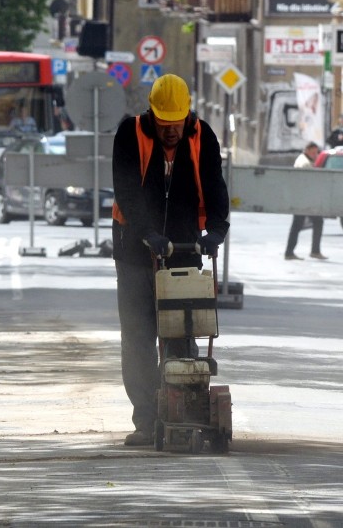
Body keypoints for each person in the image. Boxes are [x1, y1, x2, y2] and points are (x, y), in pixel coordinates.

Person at [111, 74, 230, 446]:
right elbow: (127, 190)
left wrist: (216, 229)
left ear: (187, 115)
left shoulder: (202, 136)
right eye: (164, 124)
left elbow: (214, 183)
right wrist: (147, 232)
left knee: (181, 333)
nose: (171, 131)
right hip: (134, 252)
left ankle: (182, 411)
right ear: (152, 114)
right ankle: (146, 420)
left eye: (176, 123)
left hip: (184, 251)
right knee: (138, 338)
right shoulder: (129, 134)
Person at [284, 142, 327, 261]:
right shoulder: (305, 163)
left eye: (316, 152)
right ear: (307, 150)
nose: (315, 155)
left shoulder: (303, 160)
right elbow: (309, 182)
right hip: (304, 200)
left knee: (298, 225)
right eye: (313, 152)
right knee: (315, 222)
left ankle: (291, 252)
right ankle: (312, 251)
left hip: (302, 198)